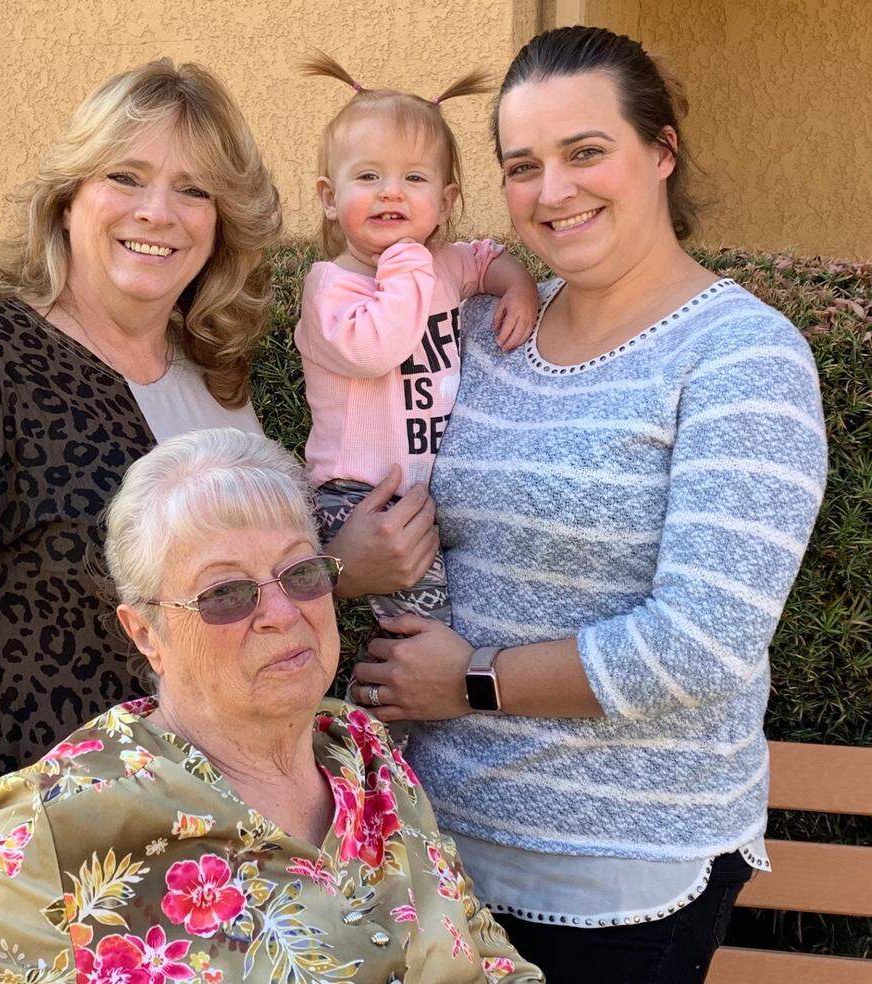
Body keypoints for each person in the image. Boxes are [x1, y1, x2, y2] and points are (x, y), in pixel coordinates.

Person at [0, 58, 443, 982]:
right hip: (67, 892)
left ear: (222, 223)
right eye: (126, 176)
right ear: (68, 196)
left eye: (193, 189)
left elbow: (232, 597)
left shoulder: (222, 387)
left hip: (243, 893)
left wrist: (338, 567)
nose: (158, 213)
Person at [349, 26, 828, 984]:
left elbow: (700, 642)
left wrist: (472, 679)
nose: (553, 191)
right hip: (430, 852)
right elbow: (369, 454)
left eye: (585, 152)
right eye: (522, 166)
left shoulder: (743, 357)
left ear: (660, 151)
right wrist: (348, 557)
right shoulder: (482, 330)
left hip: (625, 877)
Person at [0, 428, 543, 984]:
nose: (280, 612)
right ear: (146, 633)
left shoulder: (362, 751)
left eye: (301, 572)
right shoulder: (67, 824)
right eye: (226, 594)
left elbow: (485, 954)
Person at [295, 54, 538, 633]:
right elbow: (376, 349)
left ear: (446, 202)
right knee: (422, 625)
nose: (391, 194)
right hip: (355, 496)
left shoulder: (446, 263)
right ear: (330, 197)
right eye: (369, 176)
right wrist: (405, 260)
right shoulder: (329, 286)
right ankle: (393, 714)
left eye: (414, 178)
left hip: (423, 485)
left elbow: (486, 259)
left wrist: (519, 286)